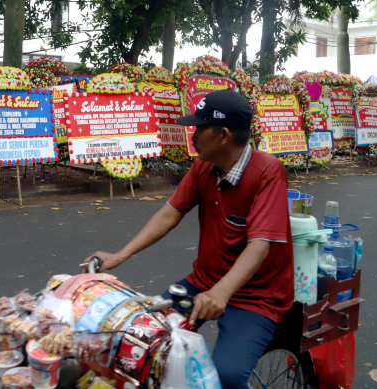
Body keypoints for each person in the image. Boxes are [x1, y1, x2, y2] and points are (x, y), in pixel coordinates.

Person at [86, 89, 293, 389]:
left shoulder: (268, 172)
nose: (192, 135)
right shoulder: (203, 167)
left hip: (256, 296)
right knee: (142, 341)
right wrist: (120, 255)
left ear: (223, 135)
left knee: (228, 376)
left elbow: (259, 246)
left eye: (199, 127)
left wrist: (221, 293)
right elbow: (169, 214)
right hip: (203, 280)